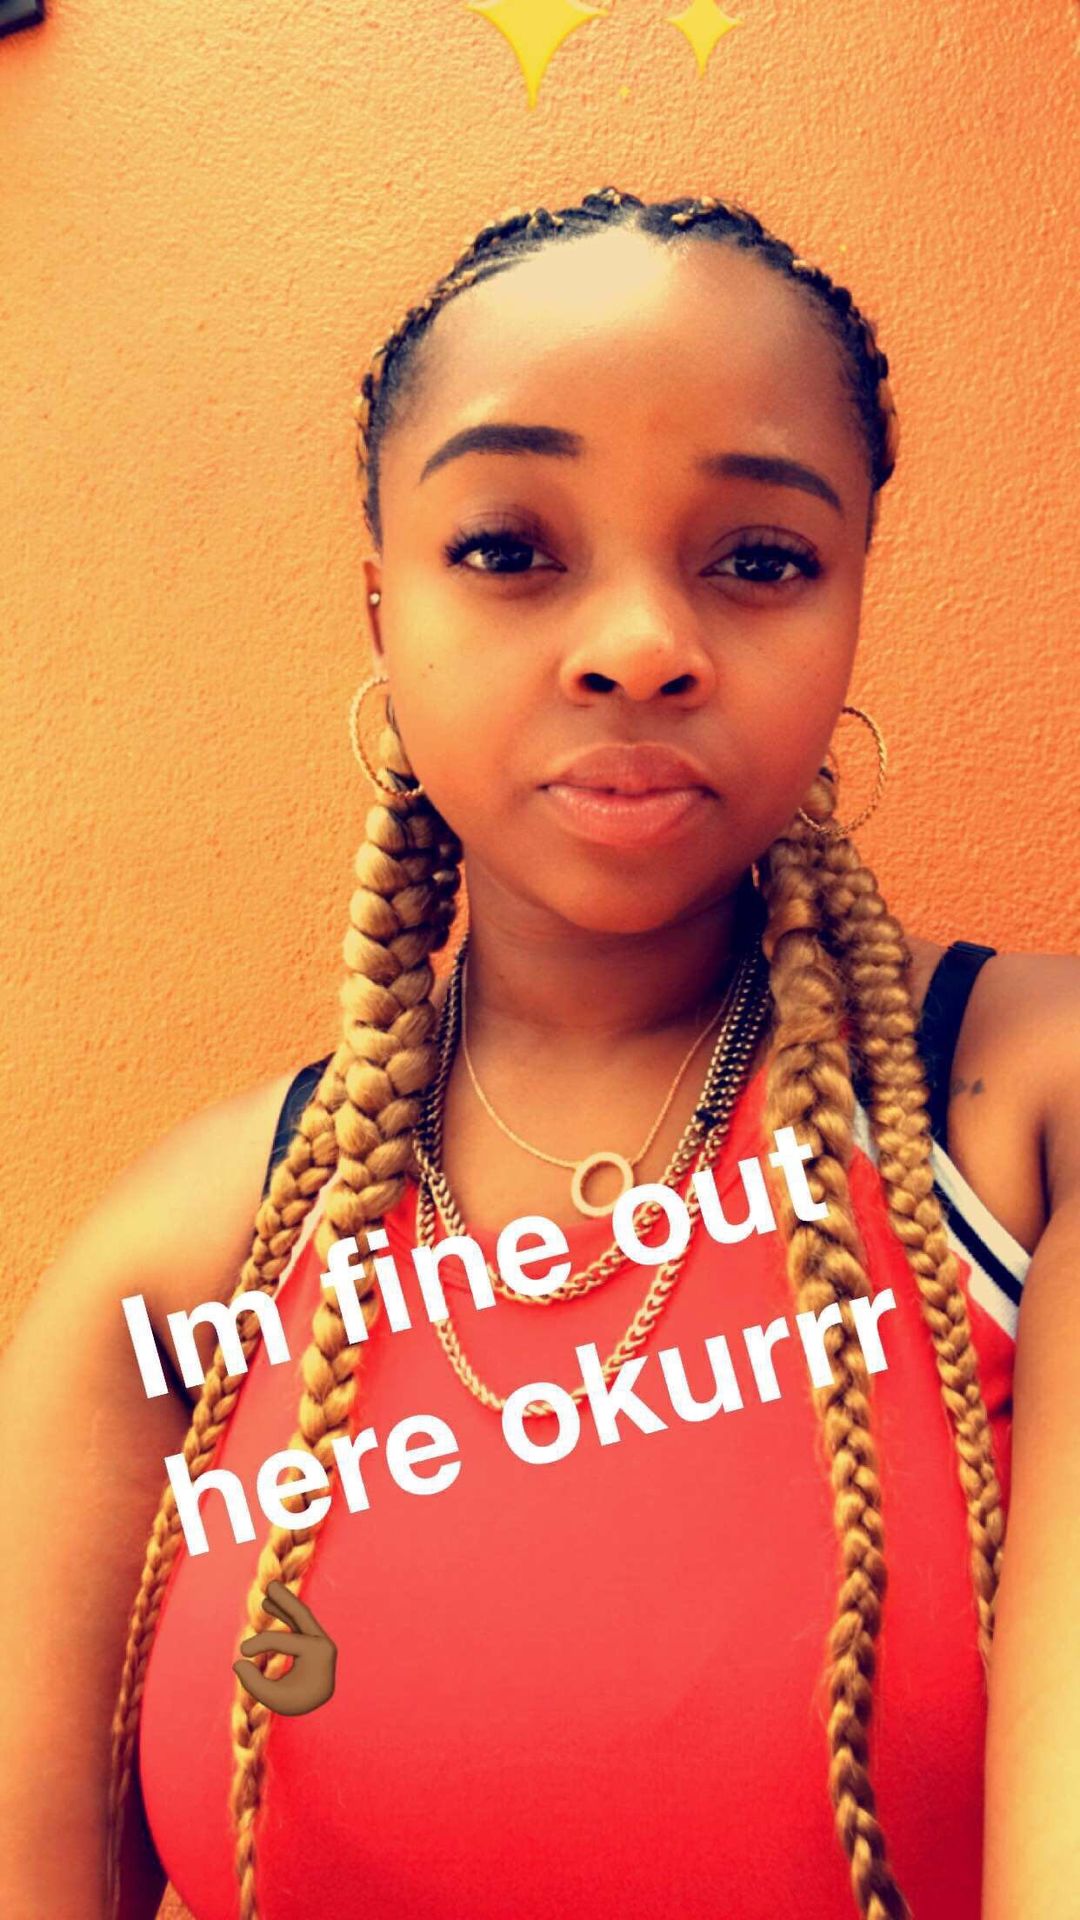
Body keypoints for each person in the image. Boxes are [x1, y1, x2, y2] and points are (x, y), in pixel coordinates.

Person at [2, 185, 1077, 1920]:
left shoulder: (1020, 1125)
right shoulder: (180, 1278)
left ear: (854, 605)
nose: (643, 646)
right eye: (510, 548)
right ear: (383, 613)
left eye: (760, 558)